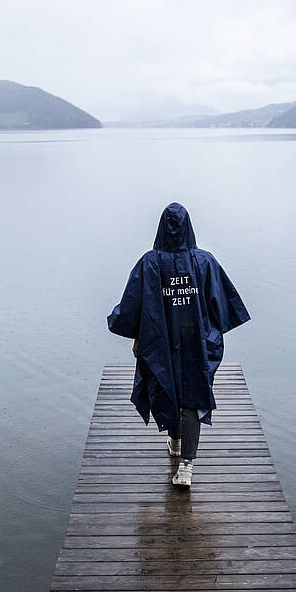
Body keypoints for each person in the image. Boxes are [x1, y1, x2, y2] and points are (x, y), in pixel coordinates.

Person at [107, 202, 250, 488]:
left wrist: (132, 332)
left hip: (161, 340)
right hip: (196, 340)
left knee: (167, 385)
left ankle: (177, 446)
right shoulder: (204, 261)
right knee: (192, 393)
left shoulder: (150, 262)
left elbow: (134, 304)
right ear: (189, 227)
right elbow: (222, 303)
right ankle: (183, 461)